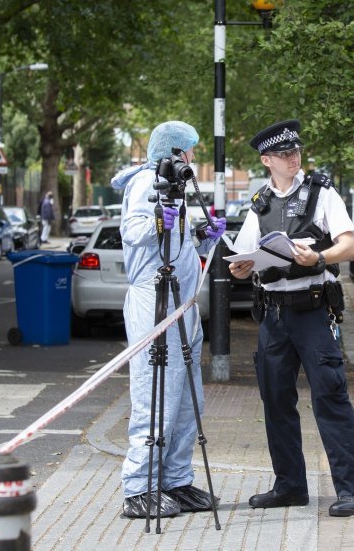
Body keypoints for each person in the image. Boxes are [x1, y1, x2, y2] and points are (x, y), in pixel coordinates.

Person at [229, 119, 354, 517]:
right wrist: (242, 268)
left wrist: (320, 258)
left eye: (296, 151)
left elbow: (350, 246)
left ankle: (352, 490)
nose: (294, 158)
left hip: (312, 311)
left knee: (330, 397)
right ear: (266, 160)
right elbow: (244, 256)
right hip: (273, 316)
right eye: (285, 154)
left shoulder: (322, 193)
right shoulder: (259, 204)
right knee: (275, 401)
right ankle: (290, 486)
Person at [110, 121, 226, 519]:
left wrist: (199, 238)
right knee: (155, 393)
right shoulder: (146, 184)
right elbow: (134, 230)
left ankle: (176, 479)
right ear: (175, 152)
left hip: (183, 305)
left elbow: (173, 243)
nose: (193, 157)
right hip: (156, 303)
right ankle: (139, 486)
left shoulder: (171, 184)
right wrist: (165, 215)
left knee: (187, 400)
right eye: (189, 150)